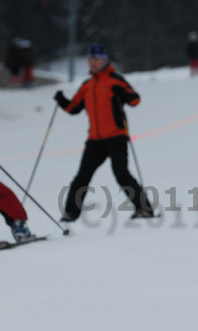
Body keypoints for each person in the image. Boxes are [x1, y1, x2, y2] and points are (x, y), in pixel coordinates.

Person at [53, 43, 154, 222]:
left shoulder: (115, 80)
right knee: (82, 177)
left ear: (105, 60)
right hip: (95, 141)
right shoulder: (87, 85)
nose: (93, 63)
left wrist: (123, 93)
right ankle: (70, 214)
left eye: (97, 59)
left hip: (116, 137)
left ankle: (144, 209)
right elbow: (73, 108)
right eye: (91, 59)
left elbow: (135, 100)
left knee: (121, 174)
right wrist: (61, 100)